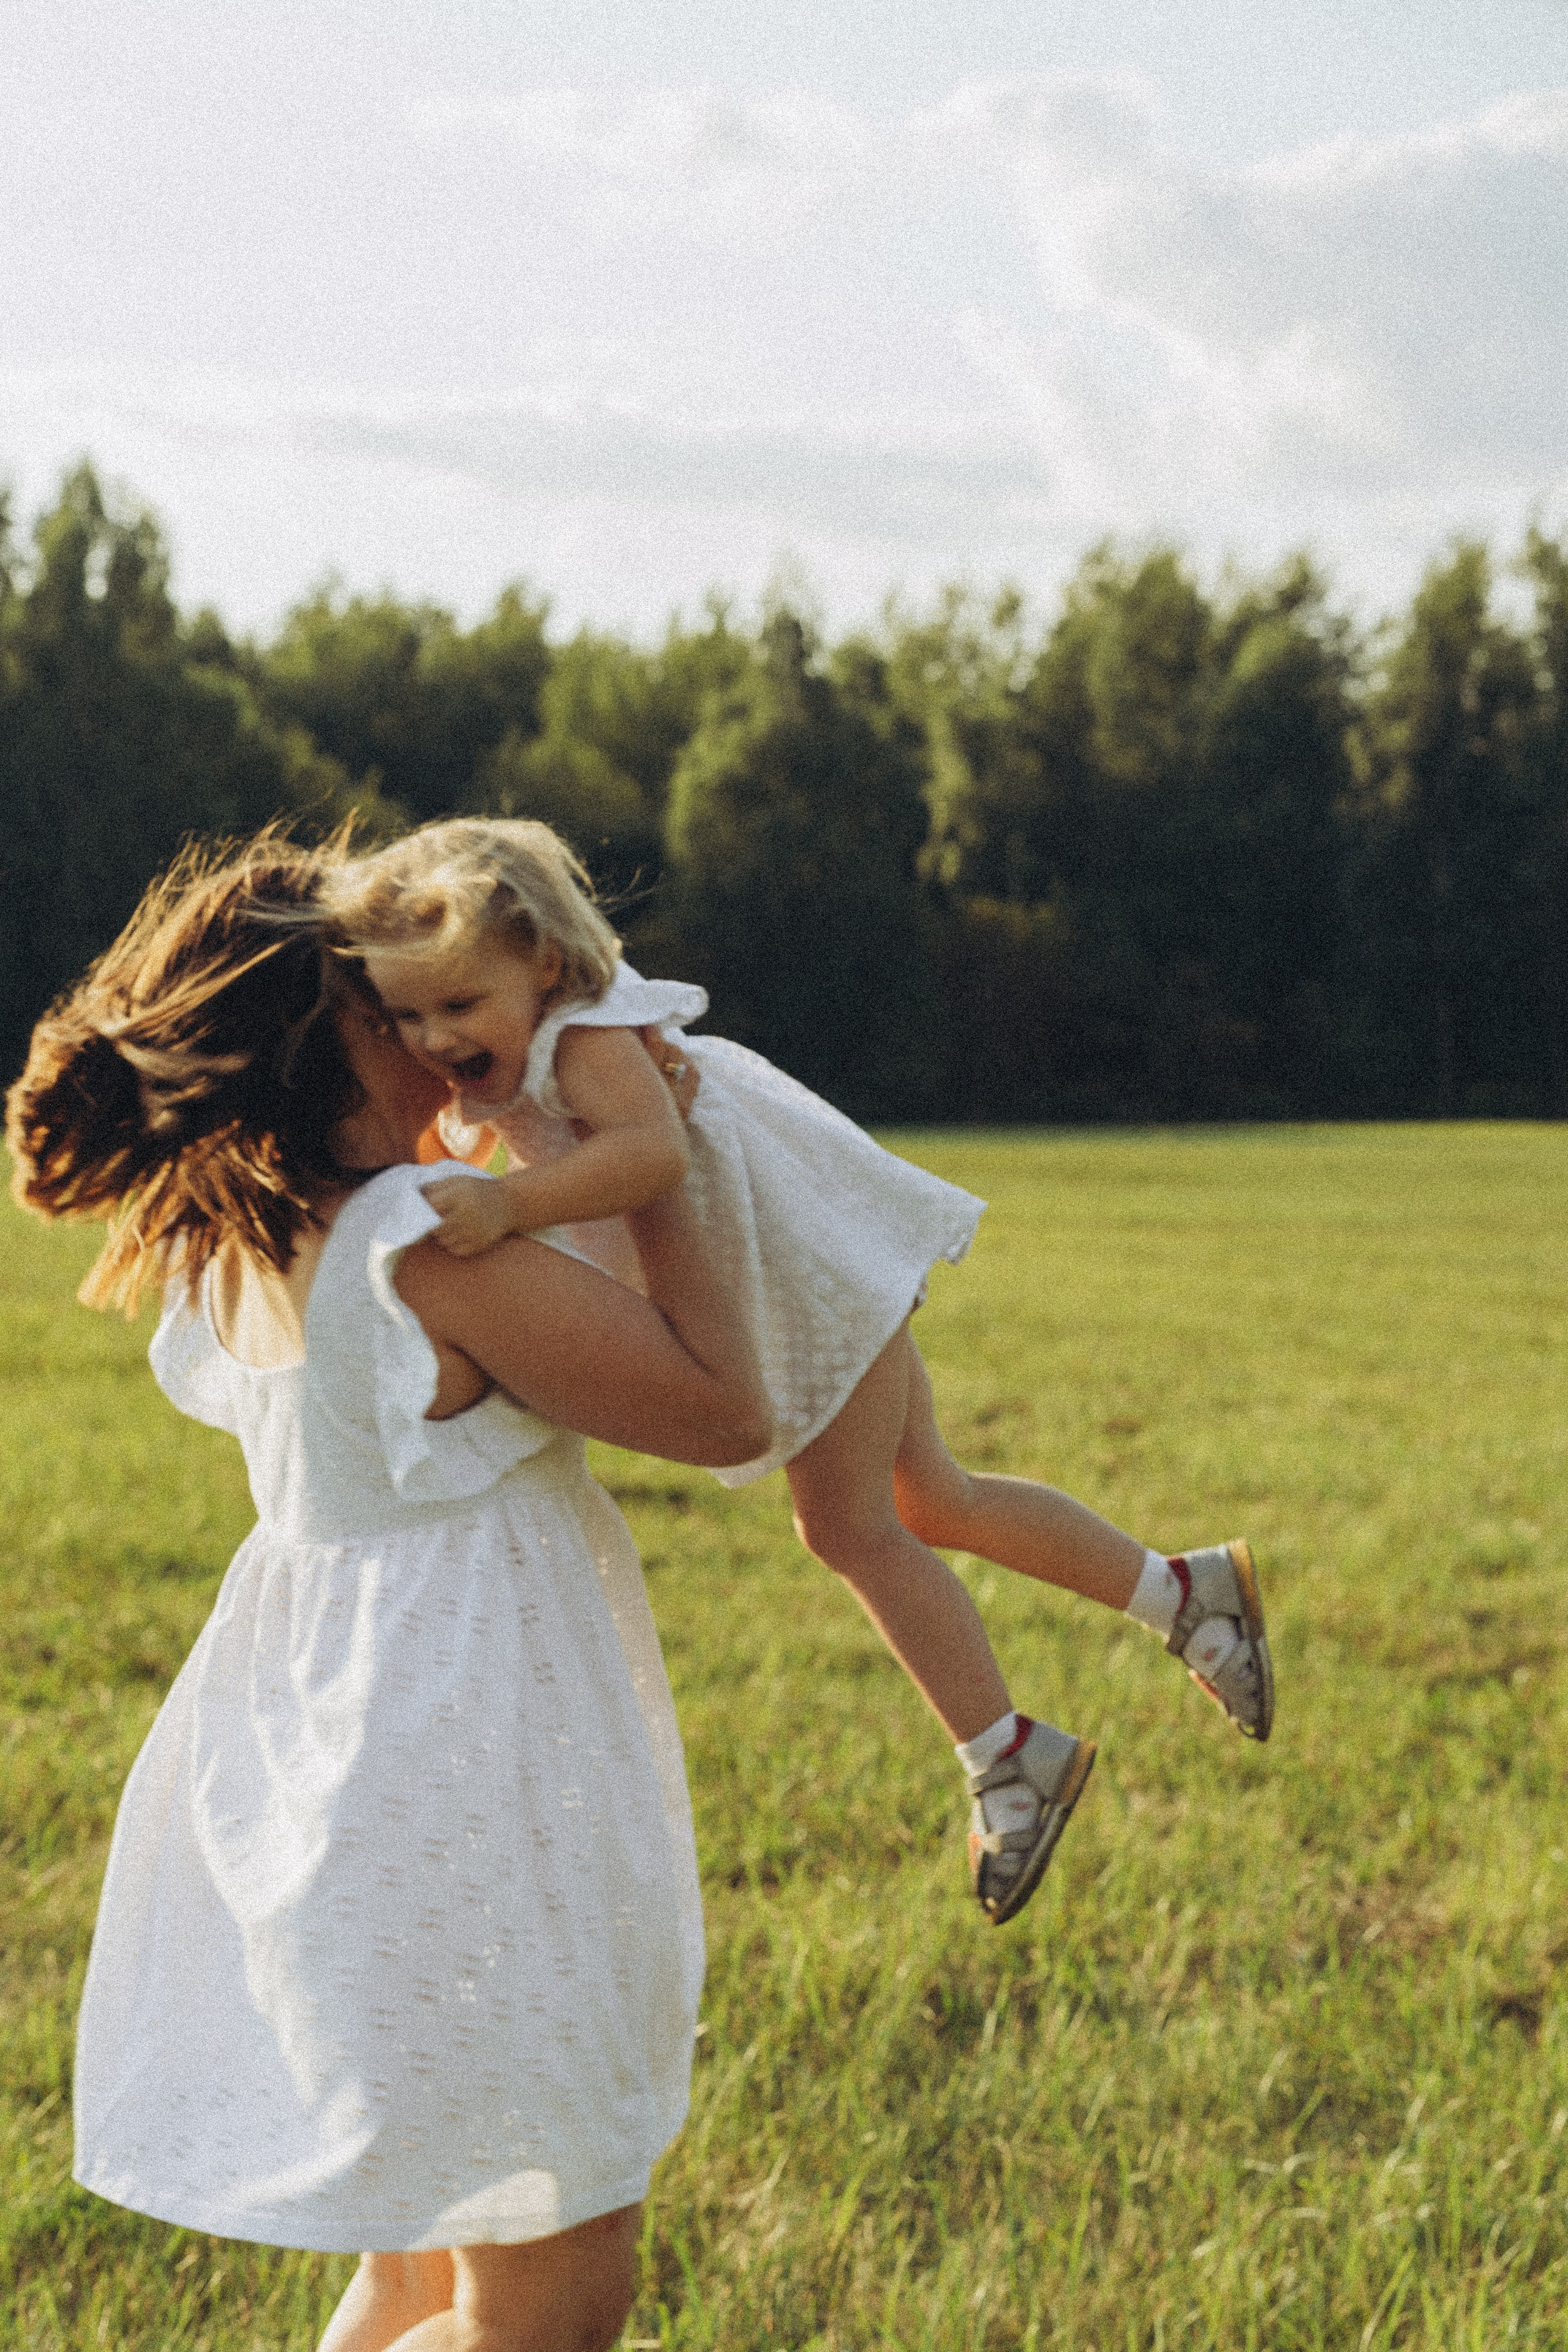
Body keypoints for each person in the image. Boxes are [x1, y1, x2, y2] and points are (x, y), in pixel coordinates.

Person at [5, 832, 772, 2352]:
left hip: (336, 1770)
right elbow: (723, 1410)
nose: (439, 1033)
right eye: (394, 1007)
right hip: (467, 1772)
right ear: (329, 1042)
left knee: (426, 2252)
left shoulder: (228, 1244)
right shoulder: (423, 1250)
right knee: (558, 2255)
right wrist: (662, 1168)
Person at [325, 817, 1274, 1929]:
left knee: (848, 1526)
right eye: (407, 1015)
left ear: (540, 962)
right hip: (793, 1263)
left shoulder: (580, 1038)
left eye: (457, 1005)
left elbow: (651, 1154)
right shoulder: (509, 1052)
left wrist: (512, 1203)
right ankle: (1185, 1594)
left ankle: (1006, 1754)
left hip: (798, 1268)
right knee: (938, 1500)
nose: (435, 1037)